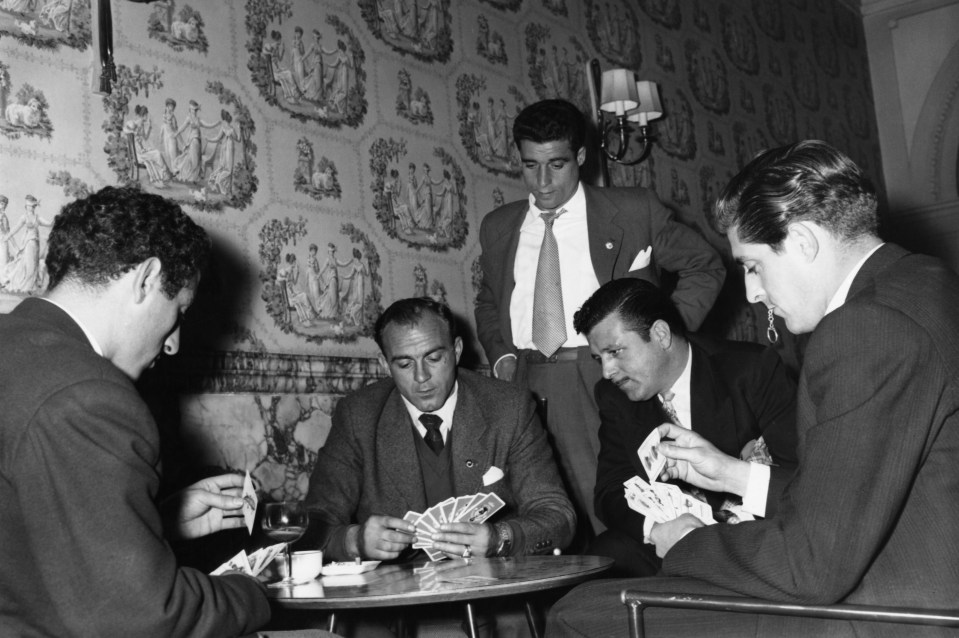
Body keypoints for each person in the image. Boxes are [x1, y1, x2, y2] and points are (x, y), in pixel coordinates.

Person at [547, 140, 959, 636]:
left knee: (577, 616)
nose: (752, 293)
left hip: (888, 609)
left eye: (752, 265)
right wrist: (733, 475)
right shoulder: (924, 279)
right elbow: (856, 490)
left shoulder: (862, 329)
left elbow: (808, 568)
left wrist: (684, 543)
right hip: (920, 574)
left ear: (804, 241)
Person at [0, 186, 281, 636]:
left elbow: (26, 555)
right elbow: (142, 620)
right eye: (179, 312)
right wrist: (255, 590)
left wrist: (160, 524)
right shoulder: (91, 395)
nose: (173, 343)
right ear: (147, 279)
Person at [474, 98, 725, 541]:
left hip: (605, 378)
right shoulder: (498, 226)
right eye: (530, 166)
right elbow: (489, 301)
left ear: (582, 157)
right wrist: (502, 358)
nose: (543, 181)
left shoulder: (632, 210)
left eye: (557, 164)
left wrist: (654, 341)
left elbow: (705, 266)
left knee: (620, 515)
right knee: (537, 520)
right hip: (524, 383)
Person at [303, 296, 575, 562]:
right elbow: (312, 526)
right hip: (398, 598)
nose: (422, 377)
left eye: (433, 358)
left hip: (493, 590)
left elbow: (558, 516)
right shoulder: (357, 416)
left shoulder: (509, 407)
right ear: (385, 364)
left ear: (456, 351)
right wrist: (354, 541)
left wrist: (500, 538)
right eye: (405, 364)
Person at [572, 278, 797, 577]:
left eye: (615, 352)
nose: (607, 371)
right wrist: (655, 530)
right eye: (599, 358)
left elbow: (803, 477)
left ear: (661, 335)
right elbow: (610, 492)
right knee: (607, 555)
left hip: (756, 540)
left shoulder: (751, 369)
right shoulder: (614, 396)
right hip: (675, 546)